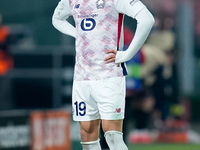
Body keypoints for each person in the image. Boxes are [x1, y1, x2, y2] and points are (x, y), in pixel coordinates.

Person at [52, 0, 154, 149]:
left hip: (109, 76)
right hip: (82, 78)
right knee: (87, 134)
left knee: (112, 135)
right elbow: (56, 19)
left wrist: (128, 54)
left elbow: (147, 19)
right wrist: (77, 34)